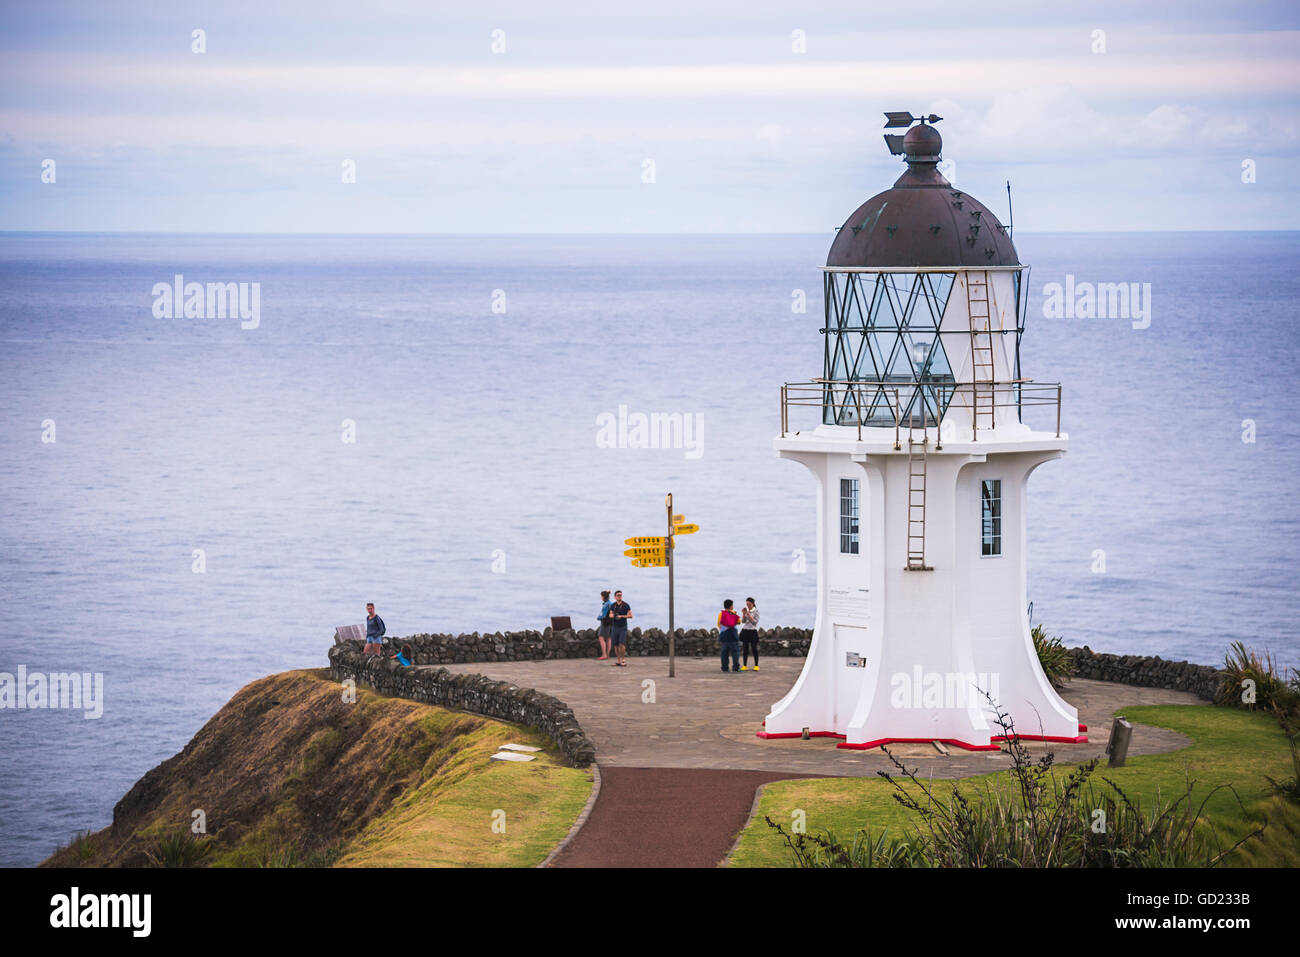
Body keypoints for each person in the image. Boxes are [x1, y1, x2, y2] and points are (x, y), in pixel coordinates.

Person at [608, 590, 632, 667]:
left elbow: (630, 616)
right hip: (615, 627)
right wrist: (612, 615)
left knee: (621, 644)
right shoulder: (613, 605)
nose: (619, 596)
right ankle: (618, 661)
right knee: (615, 645)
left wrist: (621, 616)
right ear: (615, 597)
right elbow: (610, 614)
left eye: (620, 595)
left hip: (623, 627)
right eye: (618, 595)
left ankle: (623, 660)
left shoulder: (626, 605)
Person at [717, 599, 741, 672]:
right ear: (731, 606)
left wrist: (723, 629)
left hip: (724, 635)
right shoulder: (733, 613)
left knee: (724, 652)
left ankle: (725, 668)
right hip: (733, 635)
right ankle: (735, 667)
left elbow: (718, 623)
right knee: (735, 652)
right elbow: (739, 621)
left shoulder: (721, 614)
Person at [739, 597, 760, 671]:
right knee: (745, 649)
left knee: (754, 649)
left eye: (749, 604)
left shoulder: (756, 611)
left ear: (753, 603)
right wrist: (744, 614)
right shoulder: (747, 610)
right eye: (747, 604)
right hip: (745, 630)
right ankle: (744, 665)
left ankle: (756, 665)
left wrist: (749, 615)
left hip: (752, 631)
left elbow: (755, 622)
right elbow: (743, 621)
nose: (748, 606)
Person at [596, 589, 614, 660]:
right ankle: (608, 654)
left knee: (601, 637)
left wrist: (598, 617)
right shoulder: (611, 603)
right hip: (611, 623)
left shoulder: (606, 604)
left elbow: (603, 615)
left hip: (605, 623)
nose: (601, 598)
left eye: (601, 596)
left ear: (603, 597)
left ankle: (604, 655)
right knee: (609, 638)